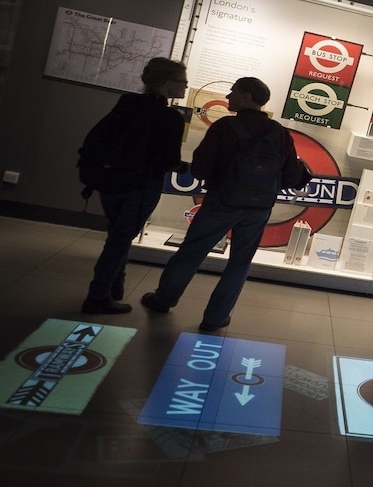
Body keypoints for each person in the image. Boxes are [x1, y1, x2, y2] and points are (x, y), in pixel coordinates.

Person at [140, 77, 308, 331]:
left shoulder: (225, 127)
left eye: (233, 92)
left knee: (192, 251)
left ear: (247, 97)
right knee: (240, 262)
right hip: (259, 207)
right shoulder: (279, 132)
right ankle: (216, 318)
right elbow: (292, 176)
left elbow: (199, 168)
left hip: (222, 201)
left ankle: (163, 300)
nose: (228, 97)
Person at [81, 58, 187, 315]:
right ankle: (98, 296)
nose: (185, 86)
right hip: (141, 186)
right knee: (119, 240)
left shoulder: (127, 102)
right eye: (182, 82)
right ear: (167, 83)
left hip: (110, 181)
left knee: (117, 235)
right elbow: (168, 160)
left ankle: (114, 286)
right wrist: (182, 167)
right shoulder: (171, 117)